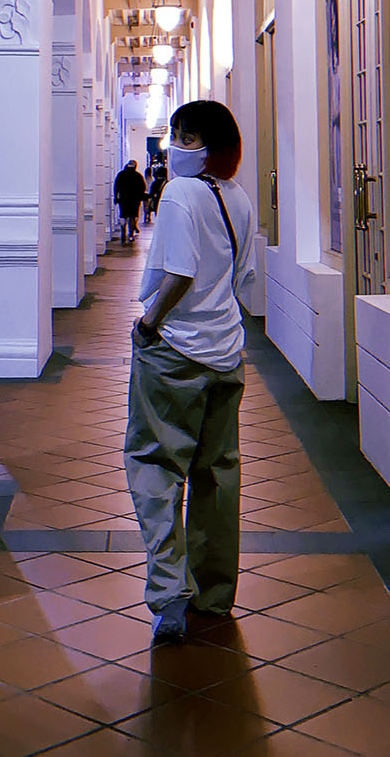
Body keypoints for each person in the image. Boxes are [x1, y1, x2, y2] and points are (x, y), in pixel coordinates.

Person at [123, 100, 256, 644]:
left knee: (155, 467)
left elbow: (178, 273)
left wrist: (148, 323)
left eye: (183, 136)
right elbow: (242, 276)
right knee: (217, 475)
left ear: (204, 144)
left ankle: (170, 591)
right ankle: (214, 593)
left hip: (176, 351)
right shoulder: (239, 198)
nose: (175, 145)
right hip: (227, 353)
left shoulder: (180, 193)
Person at [113, 159, 146, 242]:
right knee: (133, 217)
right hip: (135, 200)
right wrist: (140, 198)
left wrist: (116, 197)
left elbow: (116, 186)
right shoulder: (138, 176)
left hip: (123, 199)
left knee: (123, 216)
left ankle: (123, 232)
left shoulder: (121, 174)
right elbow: (143, 188)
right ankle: (131, 235)